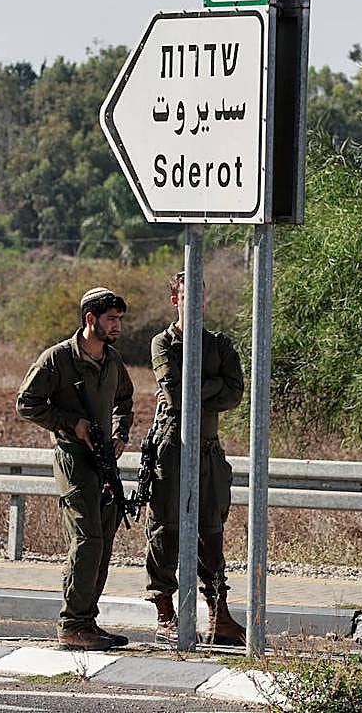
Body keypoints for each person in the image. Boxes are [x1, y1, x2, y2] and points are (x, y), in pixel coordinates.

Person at [16, 287, 134, 651]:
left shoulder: (113, 361)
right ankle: (72, 623)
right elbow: (27, 403)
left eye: (119, 319)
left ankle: (88, 621)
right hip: (72, 456)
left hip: (104, 460)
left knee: (104, 540)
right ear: (90, 319)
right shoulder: (57, 360)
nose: (116, 326)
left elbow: (125, 401)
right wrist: (72, 424)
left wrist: (120, 434)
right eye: (110, 319)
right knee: (87, 539)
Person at [146, 271, 246, 645]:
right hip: (172, 445)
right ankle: (165, 614)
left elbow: (235, 394)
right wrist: (213, 385)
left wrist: (198, 388)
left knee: (212, 532)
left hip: (208, 447)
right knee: (165, 528)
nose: (196, 304)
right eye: (188, 297)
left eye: (200, 297)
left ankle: (218, 616)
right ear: (176, 300)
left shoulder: (218, 344)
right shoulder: (164, 343)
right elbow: (174, 394)